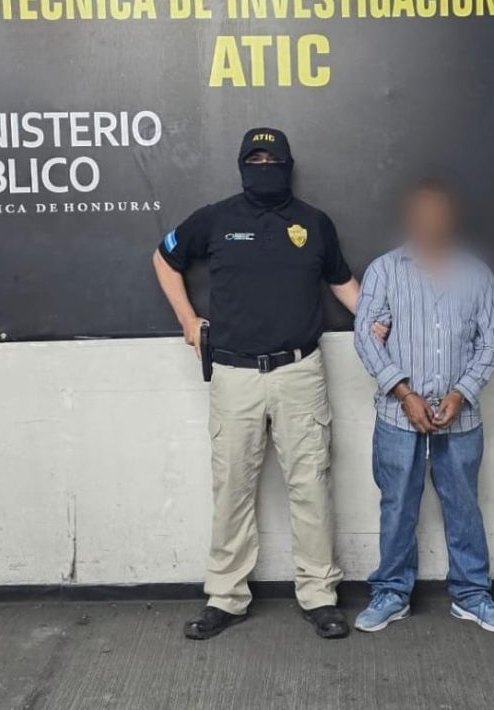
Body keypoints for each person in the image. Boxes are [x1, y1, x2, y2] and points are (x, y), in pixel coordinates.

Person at [152, 126, 360, 640]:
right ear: (243, 165)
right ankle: (225, 597)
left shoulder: (315, 223)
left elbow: (344, 284)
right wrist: (187, 320)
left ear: (288, 165)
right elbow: (164, 258)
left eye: (272, 160)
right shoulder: (215, 219)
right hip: (234, 376)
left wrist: (383, 321)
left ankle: (319, 595)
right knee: (232, 488)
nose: (264, 167)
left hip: (299, 373)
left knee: (311, 486)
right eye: (256, 159)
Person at [352, 179, 494, 634]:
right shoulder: (385, 272)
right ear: (410, 218)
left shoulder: (477, 274)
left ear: (452, 219)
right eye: (422, 213)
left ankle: (472, 594)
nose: (430, 222)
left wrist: (460, 393)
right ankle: (391, 593)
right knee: (397, 506)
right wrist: (404, 393)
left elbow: (489, 344)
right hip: (398, 415)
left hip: (461, 417)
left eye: (439, 213)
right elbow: (366, 337)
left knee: (463, 505)